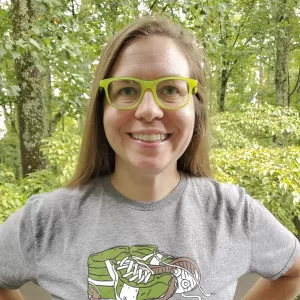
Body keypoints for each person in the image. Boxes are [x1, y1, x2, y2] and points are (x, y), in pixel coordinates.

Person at [0, 16, 300, 300]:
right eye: (127, 90)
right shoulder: (45, 221)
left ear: (195, 108)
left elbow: (293, 272)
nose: (148, 110)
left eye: (170, 89)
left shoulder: (234, 214)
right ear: (102, 108)